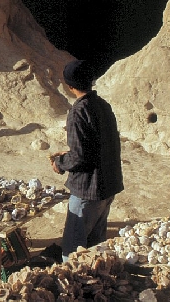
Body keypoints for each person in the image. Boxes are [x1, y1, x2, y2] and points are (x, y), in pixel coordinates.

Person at [50, 60, 124, 263]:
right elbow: (101, 144)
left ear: (70, 86)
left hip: (87, 190)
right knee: (95, 248)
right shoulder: (102, 105)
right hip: (107, 186)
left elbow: (80, 157)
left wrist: (60, 162)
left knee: (73, 253)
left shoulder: (78, 112)